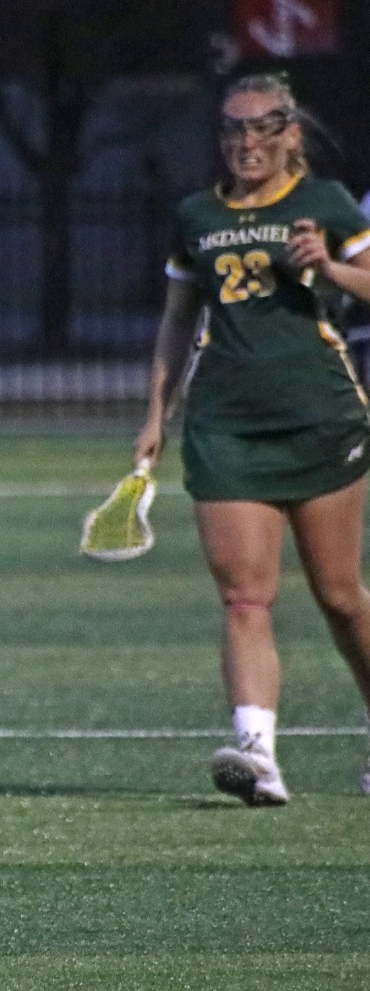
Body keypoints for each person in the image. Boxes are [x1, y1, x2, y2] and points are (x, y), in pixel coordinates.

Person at [135, 74, 370, 806]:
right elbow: (178, 318)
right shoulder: (195, 214)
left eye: (263, 126)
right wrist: (155, 412)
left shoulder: (324, 204)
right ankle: (256, 752)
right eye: (233, 129)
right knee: (245, 597)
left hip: (321, 418)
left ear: (290, 132)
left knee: (339, 596)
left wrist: (326, 267)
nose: (246, 141)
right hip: (226, 425)